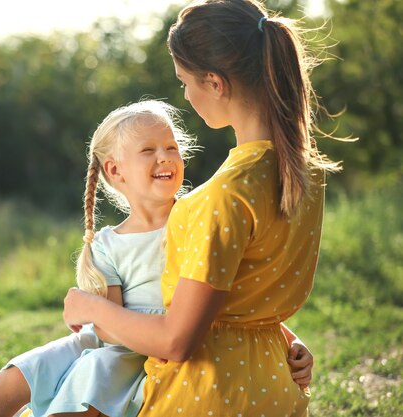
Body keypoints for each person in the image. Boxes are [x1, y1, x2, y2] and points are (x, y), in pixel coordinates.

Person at [0, 99, 313, 417]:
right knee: (33, 366)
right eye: (148, 150)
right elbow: (108, 330)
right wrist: (106, 317)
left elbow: (229, 300)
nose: (165, 156)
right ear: (114, 171)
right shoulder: (108, 244)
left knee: (94, 370)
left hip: (152, 344)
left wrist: (290, 339)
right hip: (119, 339)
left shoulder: (198, 218)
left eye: (171, 147)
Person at [63, 1, 338, 416]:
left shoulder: (218, 198)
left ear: (214, 83)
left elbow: (177, 341)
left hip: (202, 397)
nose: (186, 95)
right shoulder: (306, 176)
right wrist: (290, 340)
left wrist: (91, 306)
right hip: (278, 393)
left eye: (184, 82)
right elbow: (246, 301)